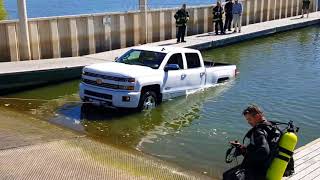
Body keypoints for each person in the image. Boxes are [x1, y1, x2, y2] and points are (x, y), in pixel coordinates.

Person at [223, 105, 275, 180]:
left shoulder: (259, 132)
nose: (248, 122)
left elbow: (264, 152)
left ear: (257, 116)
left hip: (257, 171)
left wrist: (247, 154)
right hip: (266, 168)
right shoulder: (271, 127)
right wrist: (241, 148)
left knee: (227, 176)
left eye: (249, 119)